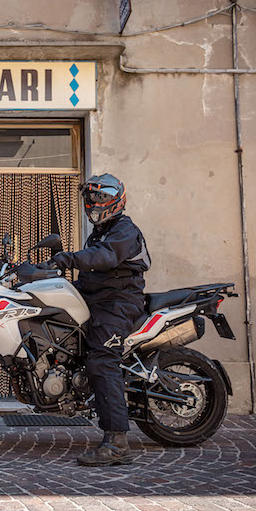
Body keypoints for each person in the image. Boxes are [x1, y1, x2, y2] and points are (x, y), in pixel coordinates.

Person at [41, 173, 151, 466]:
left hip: (117, 304)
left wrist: (69, 258)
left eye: (101, 197)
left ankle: (117, 444)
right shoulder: (100, 232)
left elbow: (104, 257)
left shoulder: (125, 230)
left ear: (116, 200)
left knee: (102, 361)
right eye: (91, 197)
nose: (94, 202)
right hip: (98, 299)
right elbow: (93, 271)